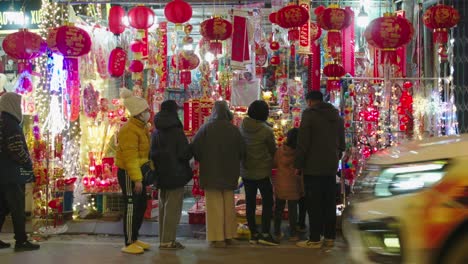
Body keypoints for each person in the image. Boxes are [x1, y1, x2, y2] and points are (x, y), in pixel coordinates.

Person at [294, 91, 345, 249]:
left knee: (314, 203)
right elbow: (342, 142)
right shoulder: (335, 115)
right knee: (329, 202)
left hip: (312, 166)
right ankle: (329, 237)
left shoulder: (309, 115)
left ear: (310, 101)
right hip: (330, 166)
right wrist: (336, 156)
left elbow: (303, 142)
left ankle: (315, 238)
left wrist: (298, 164)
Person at [192, 101, 245, 248]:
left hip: (210, 173)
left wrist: (203, 158)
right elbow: (242, 151)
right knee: (229, 205)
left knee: (214, 206)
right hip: (230, 173)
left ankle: (217, 238)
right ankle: (229, 236)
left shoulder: (206, 128)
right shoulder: (234, 130)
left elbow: (195, 148)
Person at [0, 92, 40, 252]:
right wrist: (28, 163)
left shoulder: (2, 122)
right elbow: (15, 149)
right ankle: (21, 241)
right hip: (12, 173)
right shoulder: (10, 124)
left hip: (2, 173)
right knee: (17, 207)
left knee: (2, 207)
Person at [150, 100, 192, 250]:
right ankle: (169, 240)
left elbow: (152, 153)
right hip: (176, 174)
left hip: (160, 175)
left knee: (163, 208)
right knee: (173, 209)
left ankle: (163, 239)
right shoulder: (176, 131)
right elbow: (184, 153)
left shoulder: (156, 132)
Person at [115, 89, 153, 254]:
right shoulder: (129, 130)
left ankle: (135, 237)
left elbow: (143, 154)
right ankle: (129, 241)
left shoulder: (141, 127)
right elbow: (130, 158)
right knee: (131, 206)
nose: (148, 113)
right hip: (129, 173)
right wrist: (137, 179)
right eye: (145, 111)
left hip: (138, 173)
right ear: (138, 113)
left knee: (141, 204)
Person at [240, 100, 278, 246]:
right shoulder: (266, 131)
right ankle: (266, 233)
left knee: (250, 202)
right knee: (268, 201)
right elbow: (272, 150)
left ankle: (253, 234)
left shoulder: (242, 127)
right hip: (262, 171)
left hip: (246, 170)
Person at [272, 128, 303, 242]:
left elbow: (274, 163)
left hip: (281, 182)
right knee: (293, 210)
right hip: (294, 183)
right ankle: (293, 234)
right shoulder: (299, 152)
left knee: (278, 209)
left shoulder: (280, 150)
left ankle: (276, 232)